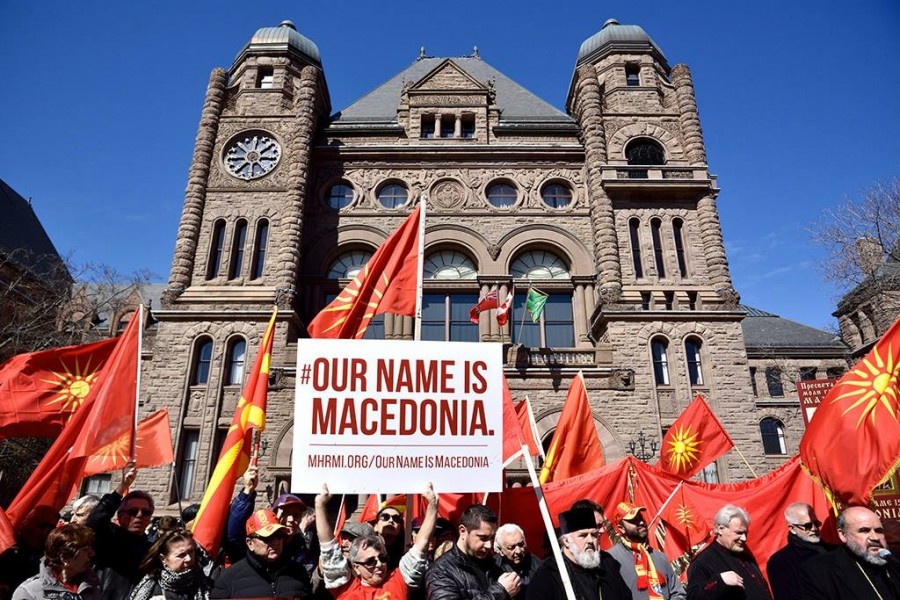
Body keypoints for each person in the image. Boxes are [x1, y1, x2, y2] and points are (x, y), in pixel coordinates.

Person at [316, 482, 438, 599]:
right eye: (370, 562)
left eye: (382, 558)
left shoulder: (397, 580)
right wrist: (320, 506)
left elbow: (421, 544)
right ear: (356, 567)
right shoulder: (345, 588)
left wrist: (432, 505)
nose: (379, 564)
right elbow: (329, 548)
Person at [529, 506, 631, 600]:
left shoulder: (607, 563)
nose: (590, 540)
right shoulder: (548, 574)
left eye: (594, 535)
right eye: (583, 535)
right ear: (566, 541)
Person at [85, 463, 155, 600]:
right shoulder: (108, 537)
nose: (139, 516)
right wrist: (121, 488)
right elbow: (94, 521)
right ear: (121, 515)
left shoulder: (152, 549)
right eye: (133, 511)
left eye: (146, 512)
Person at [800, 506, 900, 599]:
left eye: (879, 531)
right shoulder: (819, 570)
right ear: (843, 535)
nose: (875, 538)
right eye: (864, 530)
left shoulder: (895, 561)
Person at [210, 508, 312, 599]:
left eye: (279, 535)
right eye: (267, 538)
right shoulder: (228, 579)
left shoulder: (298, 572)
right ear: (250, 543)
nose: (275, 542)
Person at [426, 504, 521, 600]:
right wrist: (500, 591)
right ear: (463, 531)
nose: (489, 545)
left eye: (492, 538)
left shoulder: (493, 565)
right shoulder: (440, 571)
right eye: (483, 538)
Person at [686, 505, 771, 600]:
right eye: (739, 533)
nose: (744, 538)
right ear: (720, 529)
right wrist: (720, 581)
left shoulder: (744, 555)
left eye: (745, 533)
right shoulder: (702, 562)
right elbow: (693, 596)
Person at [607, 502, 684, 600]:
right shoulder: (611, 559)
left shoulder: (660, 557)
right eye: (634, 520)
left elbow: (678, 593)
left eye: (641, 518)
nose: (641, 522)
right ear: (621, 528)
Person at [12, 524, 100, 600]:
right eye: (86, 550)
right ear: (65, 558)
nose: (92, 554)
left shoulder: (89, 586)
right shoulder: (29, 593)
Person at [766, 502, 830, 600]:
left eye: (816, 523)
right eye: (807, 526)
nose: (814, 529)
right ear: (792, 529)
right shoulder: (781, 562)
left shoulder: (834, 550)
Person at [129, 528, 211, 600]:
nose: (189, 558)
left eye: (191, 552)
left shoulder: (207, 584)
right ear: (163, 559)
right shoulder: (150, 588)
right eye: (181, 555)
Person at [0, 505, 61, 595]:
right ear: (27, 522)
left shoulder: (50, 560)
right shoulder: (8, 553)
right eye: (41, 526)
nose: (44, 533)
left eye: (50, 528)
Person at [273, 493, 319, 576]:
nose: (291, 519)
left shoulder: (303, 548)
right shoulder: (264, 543)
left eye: (296, 515)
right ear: (275, 515)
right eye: (285, 513)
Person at [494, 524, 542, 599]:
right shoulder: (492, 569)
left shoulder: (538, 567)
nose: (518, 551)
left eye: (521, 544)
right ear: (501, 551)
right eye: (511, 548)